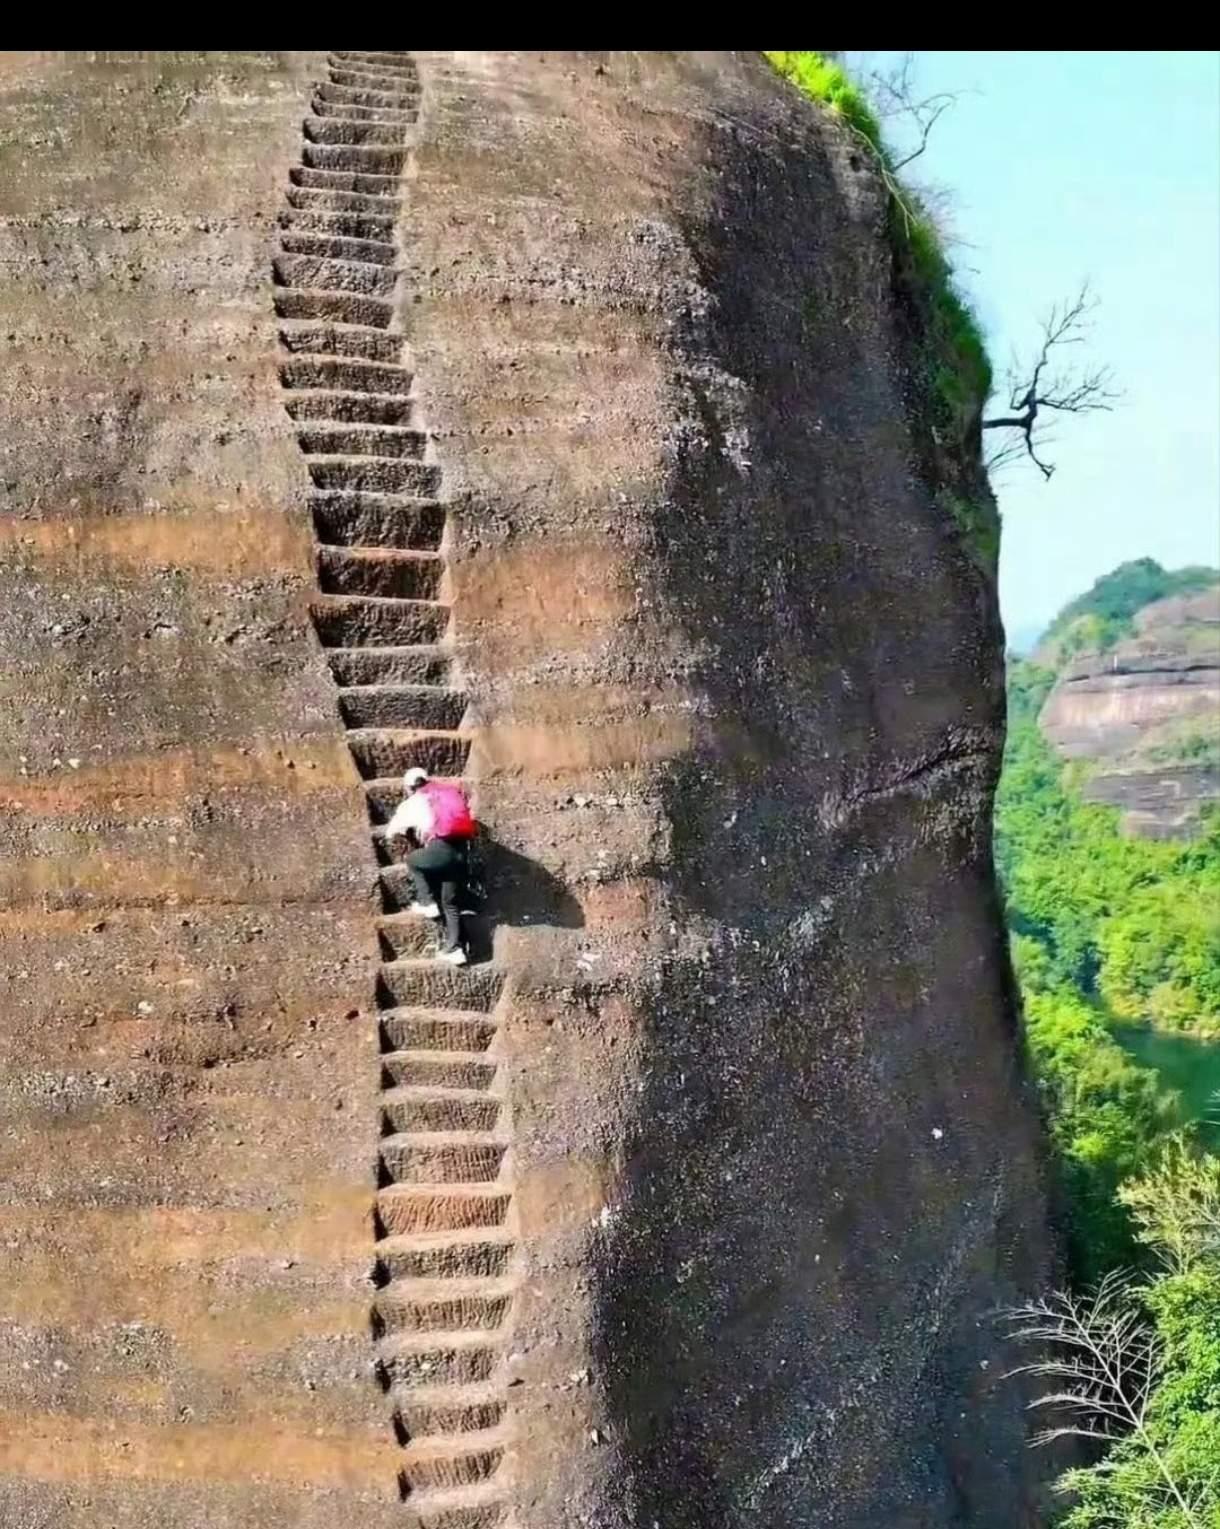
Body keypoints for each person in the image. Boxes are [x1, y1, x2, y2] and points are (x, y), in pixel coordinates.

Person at [384, 766, 476, 966]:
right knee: (450, 904)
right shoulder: (445, 794)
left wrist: (404, 836)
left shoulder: (415, 801)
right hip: (460, 853)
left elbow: (391, 831)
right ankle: (454, 949)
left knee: (413, 860)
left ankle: (426, 902)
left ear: (410, 787)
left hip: (440, 849)